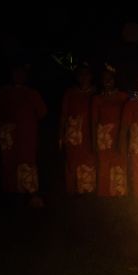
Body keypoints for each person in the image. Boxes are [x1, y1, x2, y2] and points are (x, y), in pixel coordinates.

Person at [0, 62, 47, 201]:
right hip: (8, 135)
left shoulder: (31, 93)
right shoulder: (3, 92)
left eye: (21, 73)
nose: (18, 76)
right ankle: (11, 192)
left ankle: (29, 190)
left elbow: (42, 112)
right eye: (15, 73)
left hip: (26, 135)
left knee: (26, 160)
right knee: (9, 161)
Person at [91, 63, 129, 197]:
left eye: (110, 78)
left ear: (115, 80)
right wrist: (94, 141)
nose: (107, 81)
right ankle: (104, 193)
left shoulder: (123, 96)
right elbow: (94, 121)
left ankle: (118, 192)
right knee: (104, 164)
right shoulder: (97, 98)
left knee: (119, 161)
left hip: (119, 134)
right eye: (104, 78)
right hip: (103, 137)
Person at [60, 63, 96, 194]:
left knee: (88, 160)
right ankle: (72, 189)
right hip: (72, 134)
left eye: (86, 74)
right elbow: (64, 115)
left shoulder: (95, 93)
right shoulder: (70, 93)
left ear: (91, 76)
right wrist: (61, 135)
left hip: (88, 132)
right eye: (81, 74)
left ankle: (87, 189)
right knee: (72, 160)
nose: (83, 77)